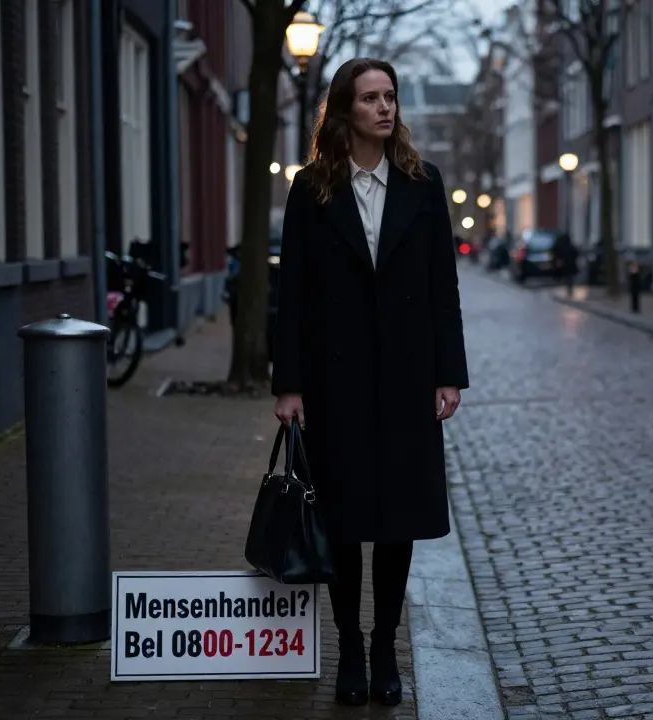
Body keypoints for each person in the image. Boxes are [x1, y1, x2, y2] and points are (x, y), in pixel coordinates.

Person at [271, 58, 469, 707]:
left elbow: (444, 287)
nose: (384, 108)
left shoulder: (422, 181)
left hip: (410, 379)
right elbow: (291, 294)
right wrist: (289, 385)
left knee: (398, 520)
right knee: (344, 517)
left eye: (390, 97)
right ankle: (349, 646)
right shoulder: (312, 189)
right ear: (344, 110)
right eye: (370, 98)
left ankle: (386, 643)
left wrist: (449, 374)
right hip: (336, 382)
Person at [552, 231, 579, 296]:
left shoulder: (561, 245)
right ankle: (569, 289)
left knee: (567, 277)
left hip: (565, 264)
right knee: (569, 277)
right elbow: (575, 253)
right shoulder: (569, 246)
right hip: (569, 264)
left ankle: (568, 289)